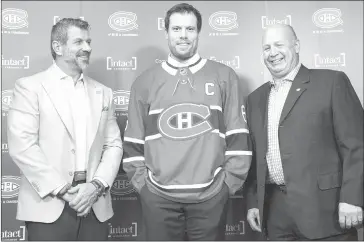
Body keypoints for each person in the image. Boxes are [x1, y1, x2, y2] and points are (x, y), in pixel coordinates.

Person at [123, 3, 252, 241]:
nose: (183, 35)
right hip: (158, 199)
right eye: (177, 29)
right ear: (166, 32)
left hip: (211, 198)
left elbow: (239, 137)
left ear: (198, 33)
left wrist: (226, 185)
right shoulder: (144, 82)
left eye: (190, 29)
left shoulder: (224, 76)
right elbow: (132, 144)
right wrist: (145, 187)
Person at [7, 18, 123, 241]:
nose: (87, 48)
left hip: (94, 204)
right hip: (49, 205)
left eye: (88, 42)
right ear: (57, 47)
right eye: (78, 41)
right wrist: (63, 190)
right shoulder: (30, 87)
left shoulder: (103, 92)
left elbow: (113, 144)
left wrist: (96, 186)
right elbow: (23, 146)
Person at [245, 24, 363, 240]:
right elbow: (254, 158)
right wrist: (254, 202)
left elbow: (356, 145)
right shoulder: (255, 99)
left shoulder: (331, 82)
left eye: (279, 45)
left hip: (326, 211)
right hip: (274, 213)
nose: (272, 53)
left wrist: (353, 198)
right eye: (266, 48)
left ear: (296, 45)